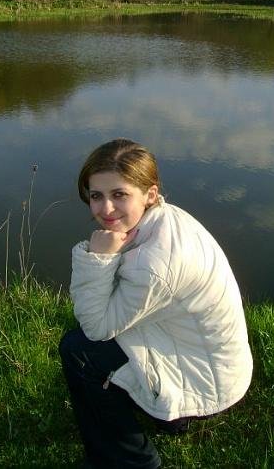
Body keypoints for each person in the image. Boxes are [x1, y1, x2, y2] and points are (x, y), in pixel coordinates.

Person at [59, 138, 253, 469]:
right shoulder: (164, 218)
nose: (106, 209)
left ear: (149, 194)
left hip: (208, 385)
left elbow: (95, 327)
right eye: (96, 196)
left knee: (79, 351)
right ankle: (166, 418)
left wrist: (97, 257)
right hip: (214, 364)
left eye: (119, 194)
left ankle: (131, 461)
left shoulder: (154, 266)